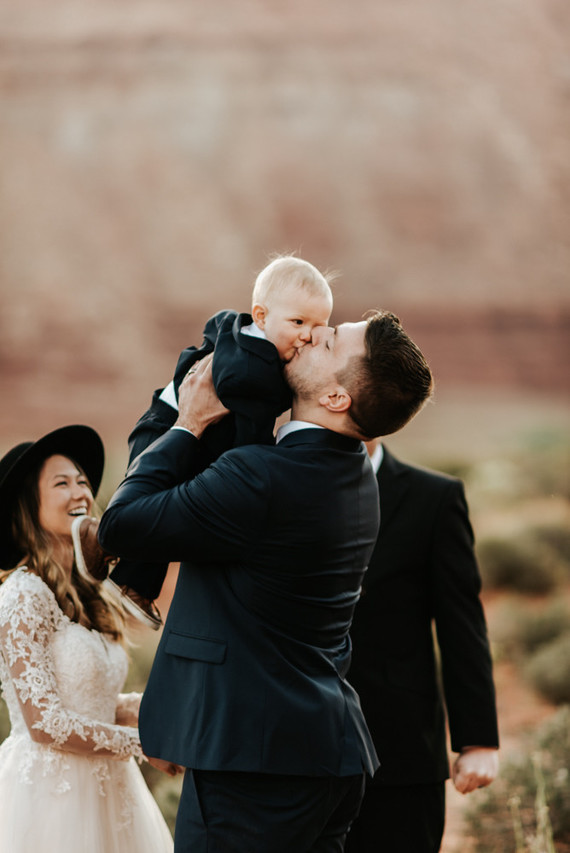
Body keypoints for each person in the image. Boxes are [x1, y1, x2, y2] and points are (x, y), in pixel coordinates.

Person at [98, 311, 434, 852]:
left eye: (327, 343)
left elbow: (122, 524)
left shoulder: (264, 477)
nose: (309, 335)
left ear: (336, 398)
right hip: (323, 753)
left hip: (254, 766)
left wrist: (186, 422)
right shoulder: (353, 476)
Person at [76, 255, 334, 628]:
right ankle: (127, 575)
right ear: (261, 316)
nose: (307, 335)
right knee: (162, 508)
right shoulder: (252, 370)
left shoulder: (244, 336)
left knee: (163, 507)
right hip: (167, 429)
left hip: (167, 421)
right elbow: (252, 436)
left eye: (318, 326)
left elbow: (216, 328)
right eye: (298, 322)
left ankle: (115, 560)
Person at [0, 425, 175, 853]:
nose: (80, 492)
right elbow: (43, 721)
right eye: (62, 483)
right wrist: (141, 744)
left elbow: (83, 699)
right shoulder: (22, 593)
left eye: (83, 481)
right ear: (28, 503)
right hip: (52, 797)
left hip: (110, 787)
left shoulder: (91, 594)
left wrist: (136, 709)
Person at [344, 441, 500, 853]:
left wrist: (477, 739)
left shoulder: (433, 497)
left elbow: (461, 622)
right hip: (280, 748)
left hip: (398, 746)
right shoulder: (264, 483)